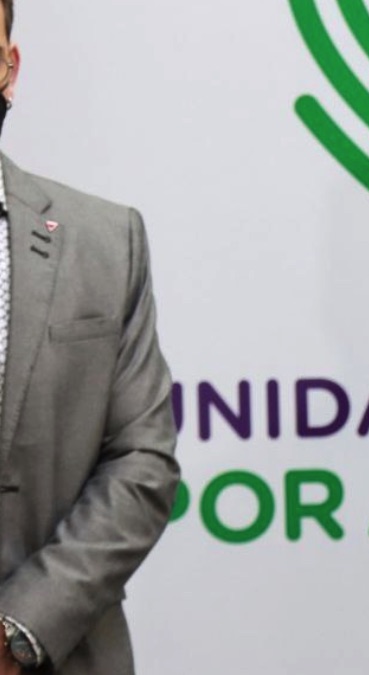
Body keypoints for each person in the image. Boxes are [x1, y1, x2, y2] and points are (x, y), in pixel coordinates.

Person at [0, 2, 180, 673]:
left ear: (9, 70)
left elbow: (141, 460)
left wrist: (19, 628)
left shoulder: (106, 243)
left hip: (59, 654)